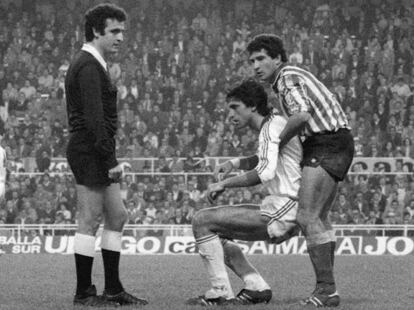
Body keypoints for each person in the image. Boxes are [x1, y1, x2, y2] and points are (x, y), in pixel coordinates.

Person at [247, 34, 354, 307]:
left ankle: (327, 291)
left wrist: (273, 142)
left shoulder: (286, 77)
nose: (256, 65)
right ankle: (327, 288)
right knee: (319, 217)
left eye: (261, 58)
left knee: (306, 216)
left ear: (278, 59)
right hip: (334, 142)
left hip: (325, 143)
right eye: (252, 61)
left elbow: (302, 115)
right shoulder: (288, 79)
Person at [187, 80, 302, 306]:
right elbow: (266, 158)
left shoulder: (270, 128)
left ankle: (220, 292)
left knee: (202, 220)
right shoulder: (274, 124)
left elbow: (265, 171)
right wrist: (234, 162)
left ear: (252, 106)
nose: (230, 114)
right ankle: (256, 287)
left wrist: (224, 184)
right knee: (214, 231)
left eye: (235, 107)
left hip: (285, 207)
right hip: (283, 207)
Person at [65, 4, 147, 306]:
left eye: (122, 31)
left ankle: (112, 289)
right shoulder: (87, 65)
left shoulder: (95, 64)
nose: (121, 37)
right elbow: (94, 120)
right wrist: (110, 161)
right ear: (97, 31)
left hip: (95, 148)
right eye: (115, 31)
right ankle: (84, 292)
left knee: (118, 216)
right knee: (88, 220)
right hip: (89, 150)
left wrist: (110, 82)